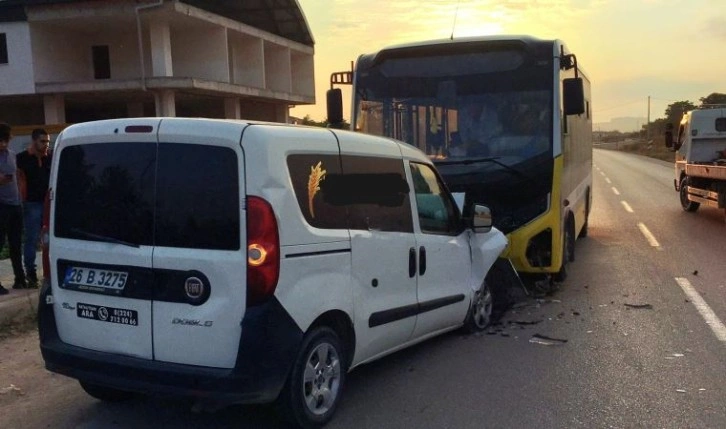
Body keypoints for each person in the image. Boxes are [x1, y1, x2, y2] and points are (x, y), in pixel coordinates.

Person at [17, 128, 51, 287]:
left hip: (48, 202)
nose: (46, 145)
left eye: (47, 142)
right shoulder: (22, 158)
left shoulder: (49, 158)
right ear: (34, 141)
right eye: (42, 141)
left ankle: (49, 271)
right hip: (31, 203)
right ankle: (30, 273)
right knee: (31, 239)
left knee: (49, 239)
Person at [0, 122, 26, 294]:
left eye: (6, 140)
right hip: (1, 205)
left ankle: (20, 279)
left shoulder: (12, 154)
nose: (4, 143)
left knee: (16, 244)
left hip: (15, 204)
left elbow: (16, 176)